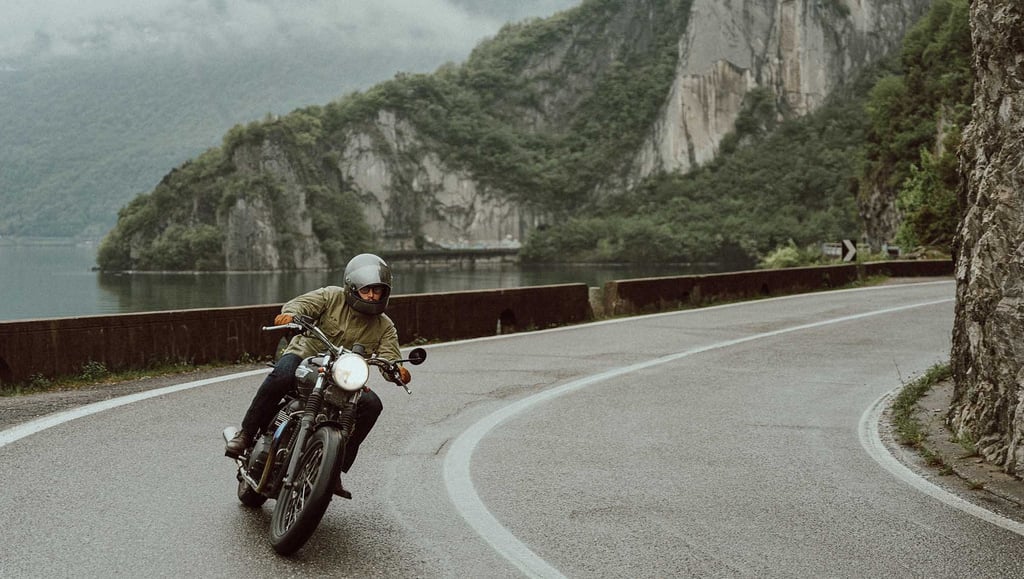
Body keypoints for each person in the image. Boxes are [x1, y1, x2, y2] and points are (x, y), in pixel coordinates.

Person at [225, 253, 411, 494]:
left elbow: (390, 357)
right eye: (367, 290)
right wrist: (291, 315)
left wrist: (397, 370)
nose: (372, 296)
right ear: (352, 287)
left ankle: (333, 470)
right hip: (305, 357)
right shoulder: (331, 296)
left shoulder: (384, 326)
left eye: (378, 291)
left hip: (343, 376)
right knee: (282, 375)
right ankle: (246, 434)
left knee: (372, 405)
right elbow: (300, 305)